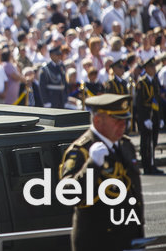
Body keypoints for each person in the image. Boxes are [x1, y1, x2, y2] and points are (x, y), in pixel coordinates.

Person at [59, 94, 143, 251]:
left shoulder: (125, 145)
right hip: (98, 241)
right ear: (98, 121)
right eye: (117, 120)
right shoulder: (81, 151)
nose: (123, 125)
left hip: (130, 238)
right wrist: (92, 165)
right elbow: (68, 194)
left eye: (124, 120)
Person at [135, 57, 164, 174]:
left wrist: (161, 117)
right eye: (151, 67)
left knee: (154, 141)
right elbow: (139, 103)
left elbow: (158, 100)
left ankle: (152, 164)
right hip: (146, 116)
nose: (154, 68)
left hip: (155, 115)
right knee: (146, 142)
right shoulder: (142, 83)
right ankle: (146, 165)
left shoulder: (155, 81)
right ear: (146, 69)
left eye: (154, 66)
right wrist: (145, 119)